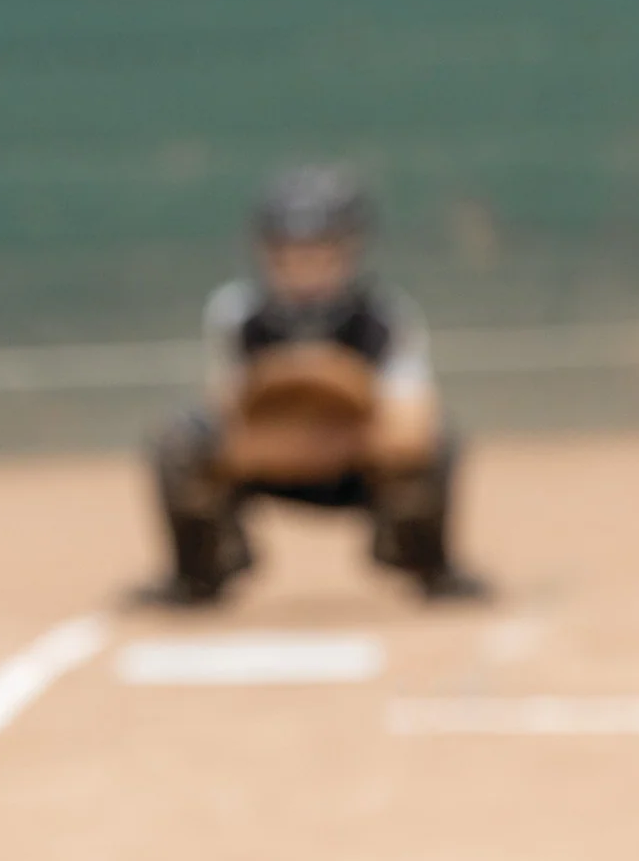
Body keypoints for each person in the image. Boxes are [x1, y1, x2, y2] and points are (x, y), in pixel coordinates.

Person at [148, 164, 490, 606]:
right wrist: (290, 431)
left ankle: (423, 560)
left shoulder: (384, 317)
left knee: (439, 440)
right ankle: (200, 570)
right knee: (179, 442)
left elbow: (409, 427)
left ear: (349, 250)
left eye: (320, 251)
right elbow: (226, 418)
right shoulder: (238, 314)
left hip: (357, 470)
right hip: (270, 465)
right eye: (288, 253)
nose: (304, 267)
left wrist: (334, 419)